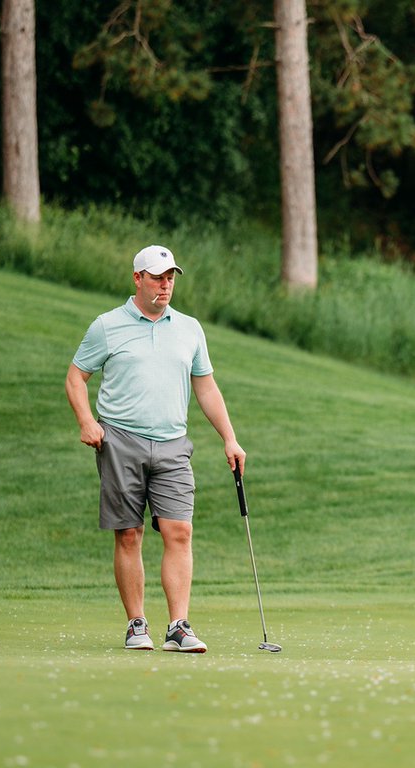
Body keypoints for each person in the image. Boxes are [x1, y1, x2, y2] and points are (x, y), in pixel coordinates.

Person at [66, 244, 246, 654]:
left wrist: (230, 438)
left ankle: (179, 626)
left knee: (179, 530)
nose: (165, 286)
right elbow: (76, 377)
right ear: (137, 278)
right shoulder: (107, 326)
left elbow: (206, 386)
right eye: (157, 277)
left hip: (172, 444)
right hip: (121, 440)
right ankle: (136, 624)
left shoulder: (189, 328)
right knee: (128, 534)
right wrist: (86, 421)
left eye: (170, 279)